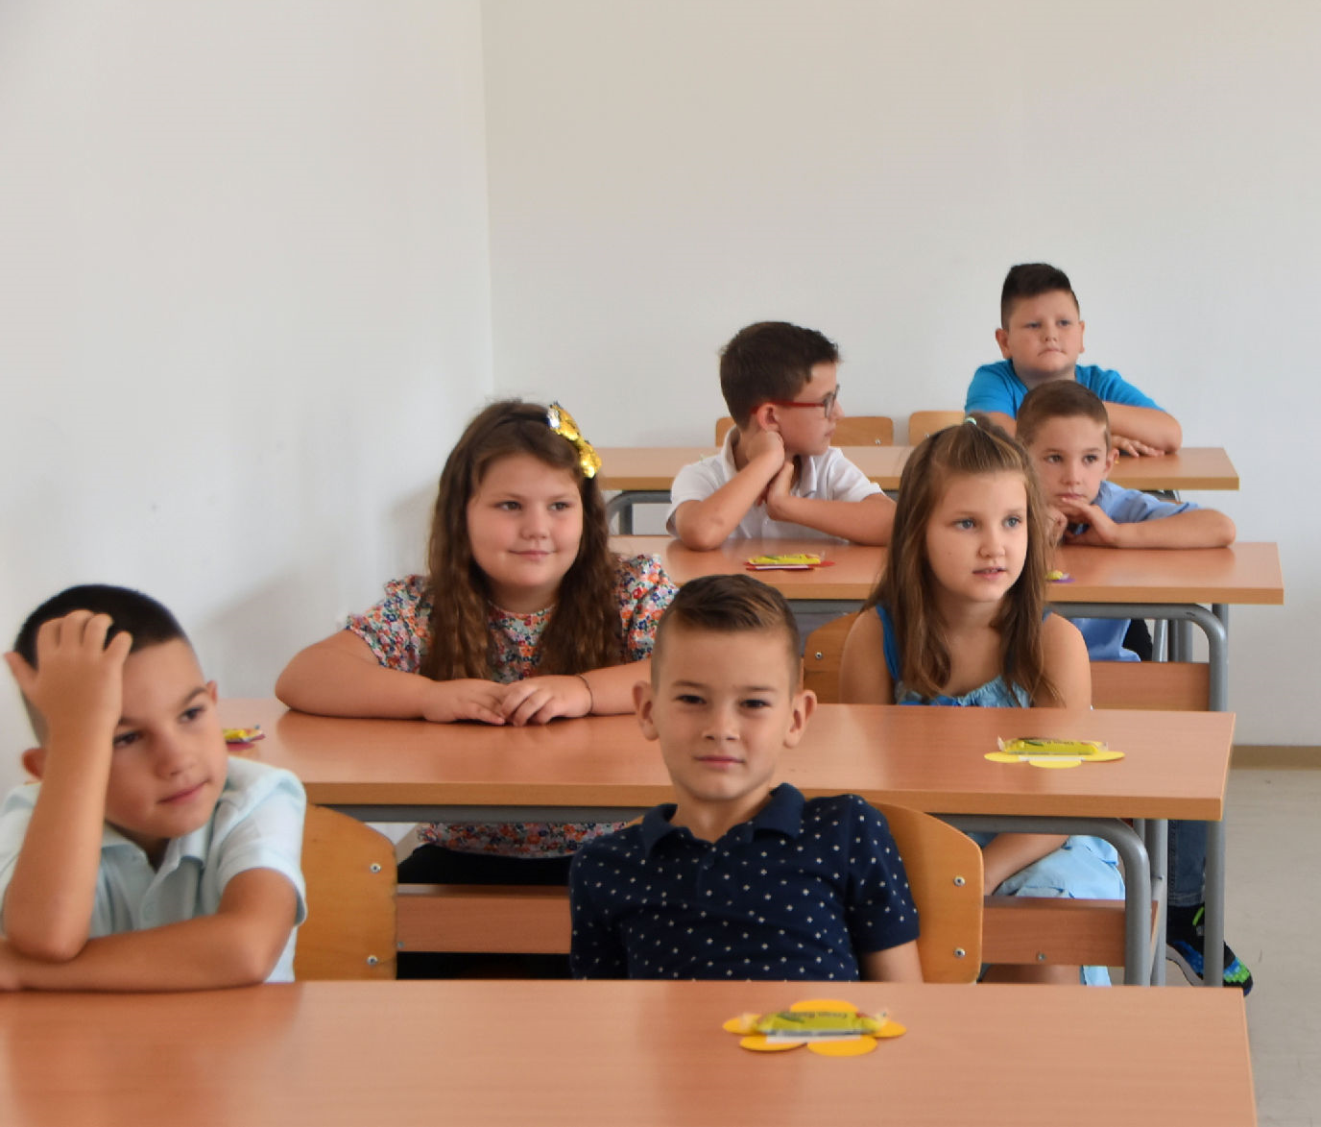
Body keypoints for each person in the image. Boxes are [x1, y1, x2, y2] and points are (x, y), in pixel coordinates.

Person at [276, 401, 676, 906]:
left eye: (559, 505)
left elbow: (699, 670)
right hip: (458, 855)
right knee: (364, 919)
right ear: (460, 515)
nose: (537, 527)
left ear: (587, 515)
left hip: (613, 848)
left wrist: (584, 691)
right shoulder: (425, 607)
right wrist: (428, 697)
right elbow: (305, 674)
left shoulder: (631, 589)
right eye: (509, 506)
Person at [838, 419, 1121, 984]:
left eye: (1013, 521)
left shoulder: (1054, 644)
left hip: (1035, 848)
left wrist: (977, 875)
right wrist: (938, 873)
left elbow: (1060, 808)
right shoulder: (875, 638)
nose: (995, 546)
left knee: (1042, 934)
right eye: (967, 523)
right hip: (915, 846)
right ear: (917, 531)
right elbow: (863, 797)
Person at [1015, 381, 1253, 992]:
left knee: (1186, 748)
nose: (1074, 476)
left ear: (1111, 462)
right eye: (1053, 458)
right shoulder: (1004, 511)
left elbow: (1220, 526)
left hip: (1107, 697)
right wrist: (1029, 540)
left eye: (1089, 459)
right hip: (1014, 698)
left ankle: (1180, 910)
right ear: (1021, 457)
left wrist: (1119, 536)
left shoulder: (1118, 507)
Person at [569, 575, 921, 982]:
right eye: (692, 699)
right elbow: (601, 1015)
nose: (721, 728)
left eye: (753, 703)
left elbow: (903, 1003)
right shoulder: (606, 867)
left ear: (795, 719)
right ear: (648, 711)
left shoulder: (846, 831)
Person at [0, 585, 305, 990]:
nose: (177, 759)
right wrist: (79, 735)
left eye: (191, 713)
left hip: (240, 1034)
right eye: (124, 738)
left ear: (214, 701)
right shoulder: (31, 816)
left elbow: (246, 949)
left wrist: (25, 971)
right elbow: (47, 938)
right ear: (50, 770)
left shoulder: (258, 796)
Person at [669, 322, 895, 549]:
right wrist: (767, 460)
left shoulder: (827, 468)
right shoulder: (702, 476)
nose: (839, 413)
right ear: (770, 417)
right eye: (826, 401)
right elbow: (701, 533)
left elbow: (895, 525)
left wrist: (785, 505)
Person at [964, 263, 1182, 457]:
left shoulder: (1102, 383)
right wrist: (1091, 444)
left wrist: (1088, 414)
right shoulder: (993, 380)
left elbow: (1170, 434)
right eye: (1033, 325)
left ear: (1081, 334)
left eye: (1064, 323)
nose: (1050, 335)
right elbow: (991, 437)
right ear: (1005, 342)